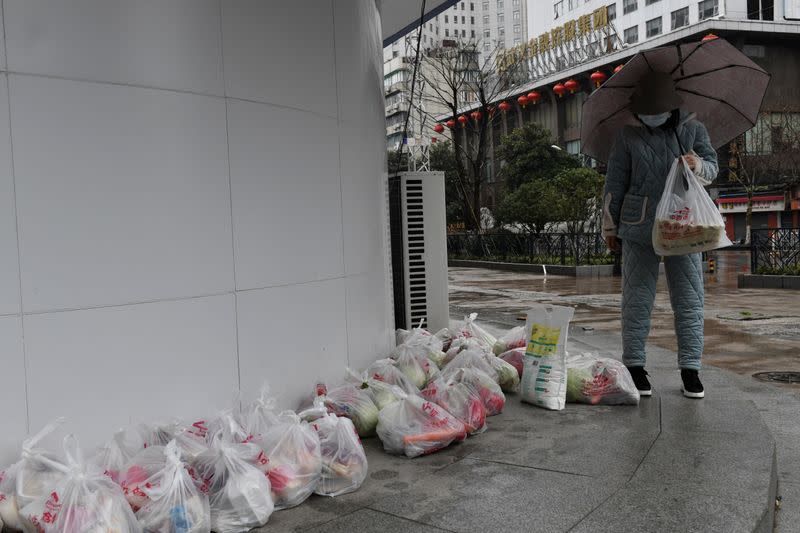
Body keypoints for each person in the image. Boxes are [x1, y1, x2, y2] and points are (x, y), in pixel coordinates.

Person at [602, 71, 718, 399]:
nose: (650, 115)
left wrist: (698, 165)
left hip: (685, 225)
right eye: (644, 110)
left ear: (672, 105)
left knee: (690, 298)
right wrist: (610, 226)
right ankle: (635, 366)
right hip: (638, 226)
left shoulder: (693, 130)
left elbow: (713, 166)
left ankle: (691, 369)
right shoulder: (627, 136)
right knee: (637, 297)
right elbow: (615, 183)